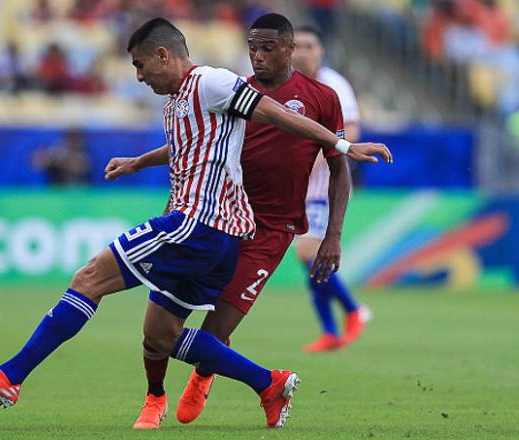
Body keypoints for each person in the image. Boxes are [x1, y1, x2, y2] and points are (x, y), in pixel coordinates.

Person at [0, 17, 390, 429]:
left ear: (163, 55)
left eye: (141, 66)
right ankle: (269, 383)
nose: (139, 76)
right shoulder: (177, 103)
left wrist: (342, 145)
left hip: (198, 225)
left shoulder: (211, 81)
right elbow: (190, 150)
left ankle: (10, 375)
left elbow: (276, 113)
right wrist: (138, 162)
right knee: (161, 334)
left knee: (88, 278)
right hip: (214, 230)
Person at [103, 14, 391, 429]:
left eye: (267, 49)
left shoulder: (323, 98)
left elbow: (338, 167)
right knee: (162, 322)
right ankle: (156, 396)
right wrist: (139, 162)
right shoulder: (236, 89)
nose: (257, 57)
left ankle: (205, 375)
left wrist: (333, 234)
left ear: (289, 49)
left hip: (271, 231)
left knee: (218, 327)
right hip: (217, 217)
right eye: (252, 49)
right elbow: (189, 138)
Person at [292, 25, 371, 353]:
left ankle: (354, 309)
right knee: (309, 261)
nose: (303, 52)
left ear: (321, 50)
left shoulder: (334, 84)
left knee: (307, 253)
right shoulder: (286, 87)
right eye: (297, 46)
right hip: (299, 186)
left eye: (309, 45)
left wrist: (324, 146)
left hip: (327, 185)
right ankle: (328, 329)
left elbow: (351, 129)